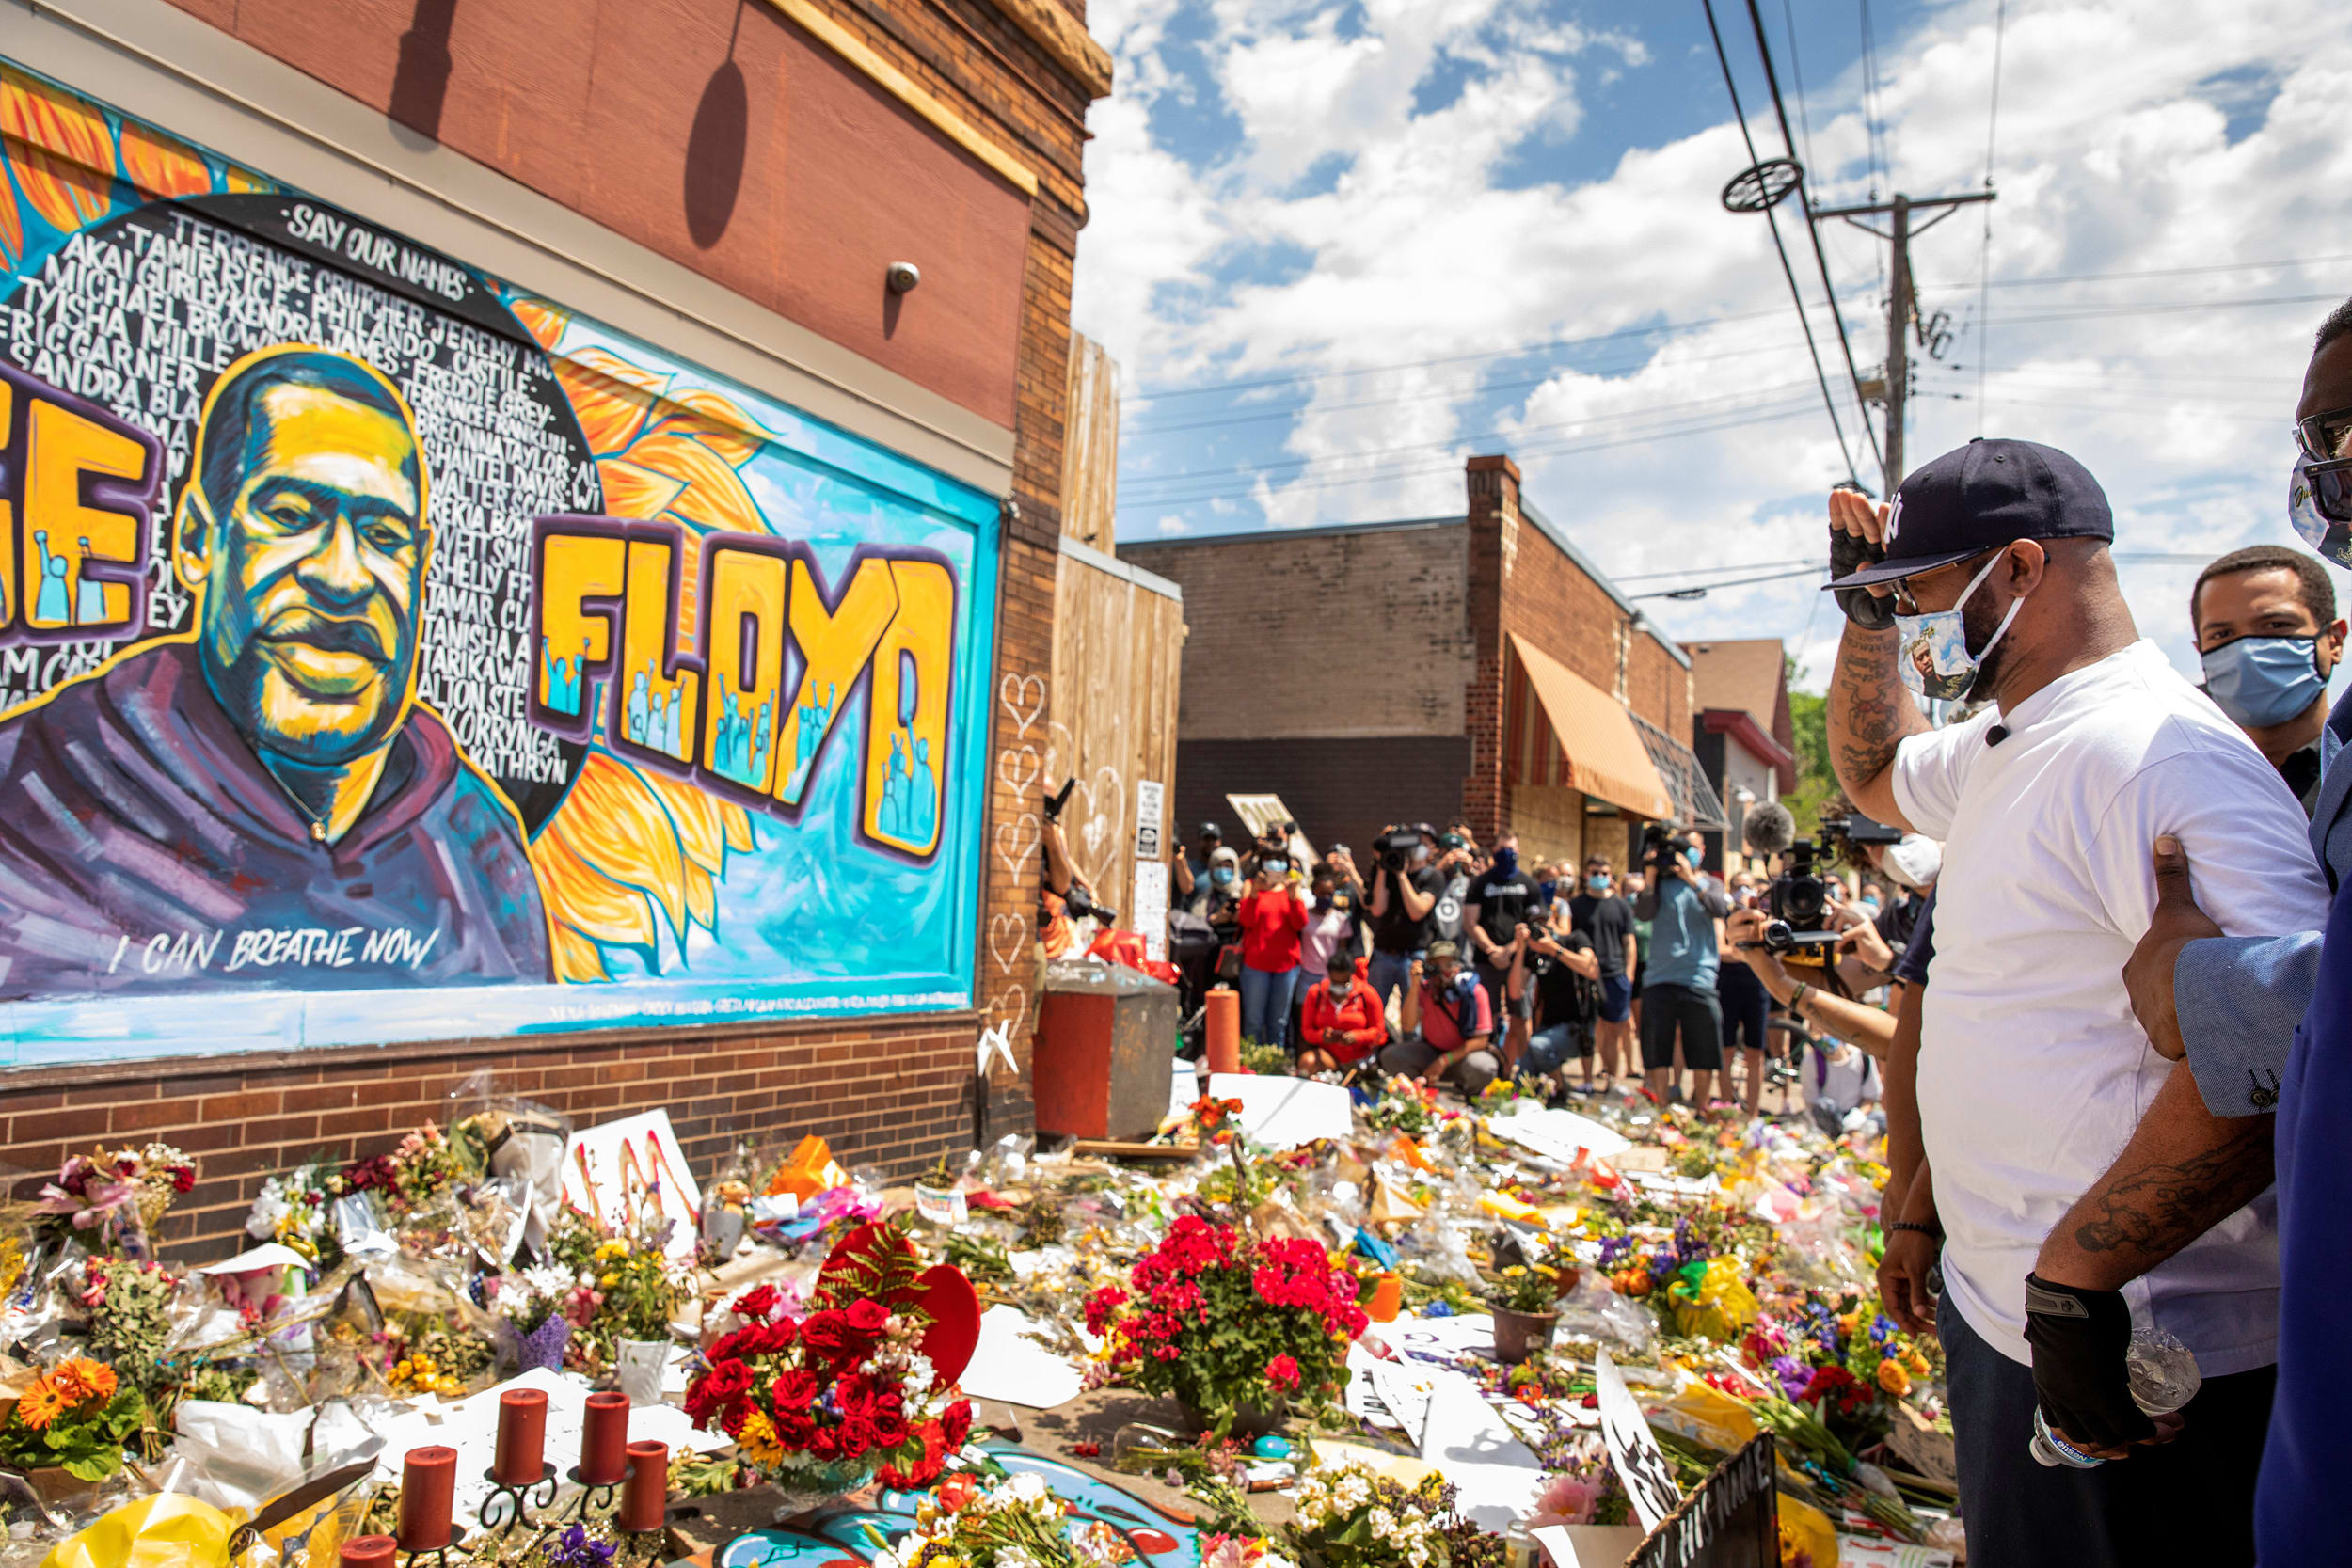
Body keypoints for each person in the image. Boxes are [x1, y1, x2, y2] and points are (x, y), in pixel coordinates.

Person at [1821, 436, 2327, 1568]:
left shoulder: (2159, 754)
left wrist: (2079, 1271)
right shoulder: (2013, 735)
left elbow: (2283, 1049)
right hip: (2016, 1312)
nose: (1911, 621)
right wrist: (1863, 618)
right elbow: (1869, 771)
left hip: (2133, 1356)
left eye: (1922, 595)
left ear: (2020, 569)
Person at [0, 346, 549, 994]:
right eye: (290, 516)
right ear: (198, 543)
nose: (343, 576)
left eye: (384, 535)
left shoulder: (475, 842)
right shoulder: (35, 797)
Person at [2120, 297, 2352, 1566]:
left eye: (2271, 635)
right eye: (2216, 640)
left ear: (2329, 637)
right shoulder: (2183, 794)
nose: (2241, 659)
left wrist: (2198, 974)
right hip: (2244, 1284)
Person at [2189, 545, 2345, 812]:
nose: (2247, 653)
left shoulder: (2346, 772)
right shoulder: (2181, 781)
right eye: (2223, 635)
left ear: (2334, 641)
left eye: (2275, 625)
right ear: (2200, 651)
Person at [1630, 828, 1727, 1106]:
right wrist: (1650, 877)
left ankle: (1702, 1108)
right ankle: (1663, 1109)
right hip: (1659, 977)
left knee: (1704, 1049)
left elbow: (1720, 909)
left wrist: (1691, 879)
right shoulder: (1660, 884)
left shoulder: (1711, 883)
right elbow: (1644, 912)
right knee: (1657, 1049)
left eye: (1690, 849)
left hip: (1699, 976)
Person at [1378, 941, 1499, 1096]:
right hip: (1431, 1052)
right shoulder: (1425, 989)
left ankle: (1469, 1093)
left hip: (1462, 1057)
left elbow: (1481, 1040)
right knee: (1391, 1056)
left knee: (1483, 1067)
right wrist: (1414, 986)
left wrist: (1444, 1060)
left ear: (1457, 966)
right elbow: (1408, 1026)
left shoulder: (1474, 991)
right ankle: (1418, 1089)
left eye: (1448, 965)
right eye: (1436, 966)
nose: (1442, 971)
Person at [1565, 856, 1638, 1091]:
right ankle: (1587, 1080)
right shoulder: (1576, 905)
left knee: (1613, 1032)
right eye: (1595, 872)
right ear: (1586, 874)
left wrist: (1628, 975)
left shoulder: (1621, 906)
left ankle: (1613, 1081)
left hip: (1615, 975)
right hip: (1586, 975)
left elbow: (1629, 943)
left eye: (1605, 873)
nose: (1600, 877)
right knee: (1589, 1030)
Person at [1465, 831, 1541, 1035]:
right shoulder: (1480, 883)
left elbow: (1534, 924)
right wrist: (1492, 951)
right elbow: (1470, 922)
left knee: (1521, 1014)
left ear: (1518, 851)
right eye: (1502, 849)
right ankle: (1490, 1058)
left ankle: (1518, 1063)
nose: (1507, 854)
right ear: (1494, 850)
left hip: (1520, 959)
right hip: (1486, 959)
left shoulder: (1529, 884)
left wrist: (1509, 951)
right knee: (1486, 1014)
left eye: (1511, 849)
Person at [1516, 917, 1601, 1093]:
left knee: (1538, 1046)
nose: (1541, 929)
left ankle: (1560, 1090)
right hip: (1547, 1028)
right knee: (1520, 1084)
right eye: (1535, 926)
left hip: (1576, 1029)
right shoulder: (1534, 954)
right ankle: (1555, 1089)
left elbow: (1592, 970)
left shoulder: (1575, 939)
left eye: (1544, 922)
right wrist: (1521, 948)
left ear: (1553, 920)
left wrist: (1554, 949)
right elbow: (1515, 991)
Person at [1364, 824, 1439, 1011]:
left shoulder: (1432, 876)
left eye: (1424, 842)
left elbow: (1417, 911)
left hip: (1413, 956)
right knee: (1373, 1012)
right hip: (1383, 953)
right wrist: (1383, 867)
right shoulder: (1386, 871)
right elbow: (1377, 910)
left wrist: (1402, 876)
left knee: (1413, 1018)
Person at [1235, 852, 1307, 1051]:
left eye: (1279, 860)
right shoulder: (1251, 885)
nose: (1274, 865)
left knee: (1279, 1021)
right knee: (1253, 1020)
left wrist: (1293, 897)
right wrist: (1255, 894)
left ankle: (1275, 1063)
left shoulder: (1292, 888)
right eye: (1269, 859)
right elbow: (1246, 921)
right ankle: (1251, 1061)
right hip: (1256, 964)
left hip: (1286, 966)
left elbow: (1300, 923)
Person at [1297, 950, 1386, 1075]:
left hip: (1359, 1059)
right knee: (1307, 1063)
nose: (1339, 986)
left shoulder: (1367, 994)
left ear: (1351, 975)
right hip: (1327, 1056)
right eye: (1335, 982)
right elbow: (1306, 1031)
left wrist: (1357, 1037)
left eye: (1343, 982)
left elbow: (1380, 1033)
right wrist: (1322, 1036)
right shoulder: (1316, 993)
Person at [1173, 822, 1224, 914]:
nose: (1210, 843)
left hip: (1222, 925)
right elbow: (1187, 889)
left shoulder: (1229, 869)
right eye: (1206, 839)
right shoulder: (1190, 867)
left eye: (1213, 839)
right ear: (1199, 841)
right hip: (1195, 923)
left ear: (1220, 841)